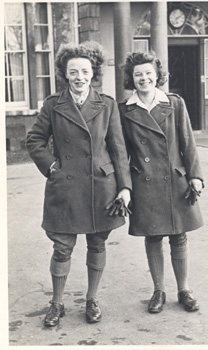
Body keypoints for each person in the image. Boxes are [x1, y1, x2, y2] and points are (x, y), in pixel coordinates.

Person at [26, 41, 131, 326]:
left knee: (97, 243)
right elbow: (34, 140)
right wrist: (51, 167)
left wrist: (125, 187)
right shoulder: (53, 105)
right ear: (65, 73)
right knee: (62, 246)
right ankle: (57, 303)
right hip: (66, 184)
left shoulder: (107, 104)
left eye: (85, 71)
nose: (80, 77)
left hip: (101, 186)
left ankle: (91, 299)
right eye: (74, 71)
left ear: (93, 72)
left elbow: (118, 149)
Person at [119, 50, 204, 314]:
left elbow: (188, 142)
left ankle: (184, 289)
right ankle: (158, 291)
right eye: (138, 74)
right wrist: (125, 185)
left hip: (174, 179)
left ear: (157, 76)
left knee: (179, 236)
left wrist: (196, 176)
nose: (144, 78)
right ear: (131, 79)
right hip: (144, 182)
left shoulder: (174, 103)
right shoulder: (124, 110)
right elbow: (121, 152)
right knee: (153, 237)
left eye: (148, 73)